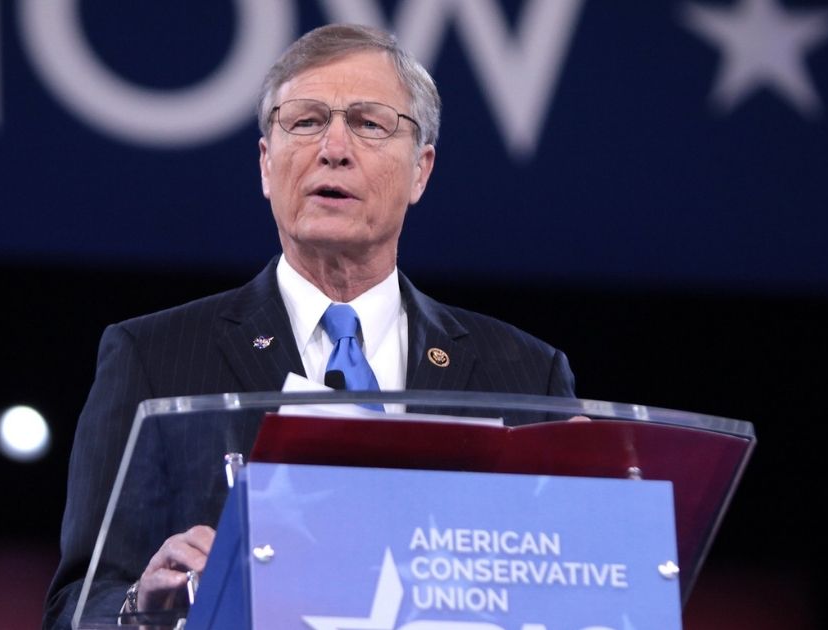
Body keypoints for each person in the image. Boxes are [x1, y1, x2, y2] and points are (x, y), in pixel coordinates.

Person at [42, 23, 575, 629]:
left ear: (421, 170)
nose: (335, 148)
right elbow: (76, 609)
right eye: (305, 121)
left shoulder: (528, 376)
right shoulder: (152, 357)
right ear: (267, 165)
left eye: (371, 123)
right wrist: (141, 605)